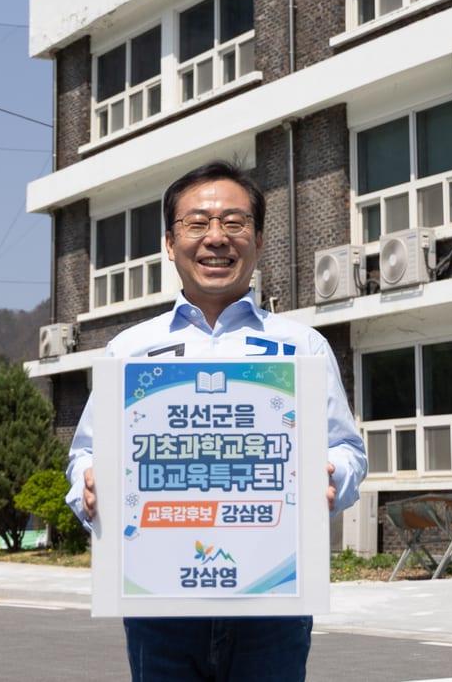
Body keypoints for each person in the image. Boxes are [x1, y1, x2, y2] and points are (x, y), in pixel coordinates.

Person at [66, 159, 367, 682]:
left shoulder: (301, 346)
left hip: (274, 602)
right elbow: (86, 454)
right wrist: (87, 489)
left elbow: (348, 450)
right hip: (160, 605)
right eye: (198, 223)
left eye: (234, 222)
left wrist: (329, 476)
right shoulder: (130, 349)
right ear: (169, 240)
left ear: (257, 237)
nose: (216, 238)